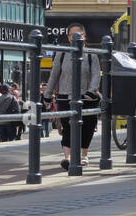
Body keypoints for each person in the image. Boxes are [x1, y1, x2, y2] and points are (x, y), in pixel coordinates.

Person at [42, 23, 101, 170]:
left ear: (84, 36)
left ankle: (84, 155)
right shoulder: (61, 54)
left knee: (87, 127)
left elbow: (96, 75)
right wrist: (47, 96)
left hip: (86, 97)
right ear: (68, 37)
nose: (75, 37)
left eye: (79, 35)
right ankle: (67, 158)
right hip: (65, 96)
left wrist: (90, 92)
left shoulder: (91, 54)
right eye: (71, 35)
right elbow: (54, 75)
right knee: (67, 128)